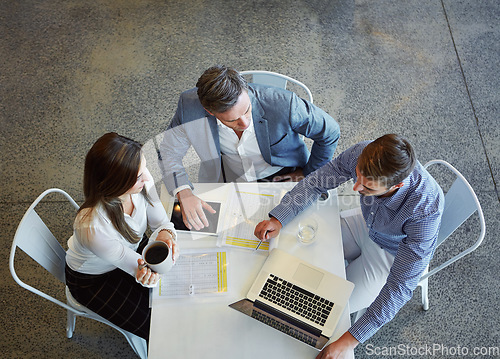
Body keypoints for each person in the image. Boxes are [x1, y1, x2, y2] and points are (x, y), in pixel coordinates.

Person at [254, 134, 444, 358]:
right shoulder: (364, 153)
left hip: (393, 256)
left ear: (397, 185)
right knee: (298, 252)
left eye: (368, 188)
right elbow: (318, 181)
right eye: (357, 177)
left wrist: (347, 342)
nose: (355, 188)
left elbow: (399, 287)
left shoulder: (425, 210)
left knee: (329, 309)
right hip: (366, 224)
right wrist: (279, 218)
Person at [160, 65, 340, 231]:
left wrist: (309, 174)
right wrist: (183, 192)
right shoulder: (188, 107)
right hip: (228, 178)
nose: (245, 123)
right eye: (232, 120)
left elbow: (330, 132)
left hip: (283, 174)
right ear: (210, 112)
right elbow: (168, 152)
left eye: (246, 110)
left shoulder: (284, 104)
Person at [65, 132, 179, 341]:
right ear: (114, 183)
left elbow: (161, 223)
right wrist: (152, 271)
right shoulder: (92, 226)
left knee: (174, 297)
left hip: (128, 251)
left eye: (144, 167)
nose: (147, 177)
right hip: (96, 279)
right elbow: (139, 268)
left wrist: (165, 236)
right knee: (159, 326)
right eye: (137, 176)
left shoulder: (141, 181)